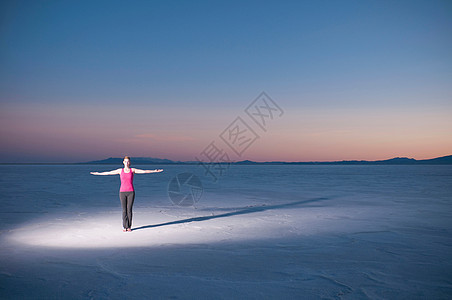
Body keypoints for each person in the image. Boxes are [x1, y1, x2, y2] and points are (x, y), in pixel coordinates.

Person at [90, 156, 163, 232]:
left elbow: (144, 171)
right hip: (122, 192)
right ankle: (125, 226)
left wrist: (154, 171)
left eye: (128, 161)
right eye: (125, 161)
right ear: (123, 162)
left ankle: (129, 227)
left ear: (130, 163)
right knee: (124, 210)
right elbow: (108, 173)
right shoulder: (120, 171)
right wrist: (98, 173)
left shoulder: (132, 170)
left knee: (129, 210)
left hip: (131, 192)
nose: (127, 163)